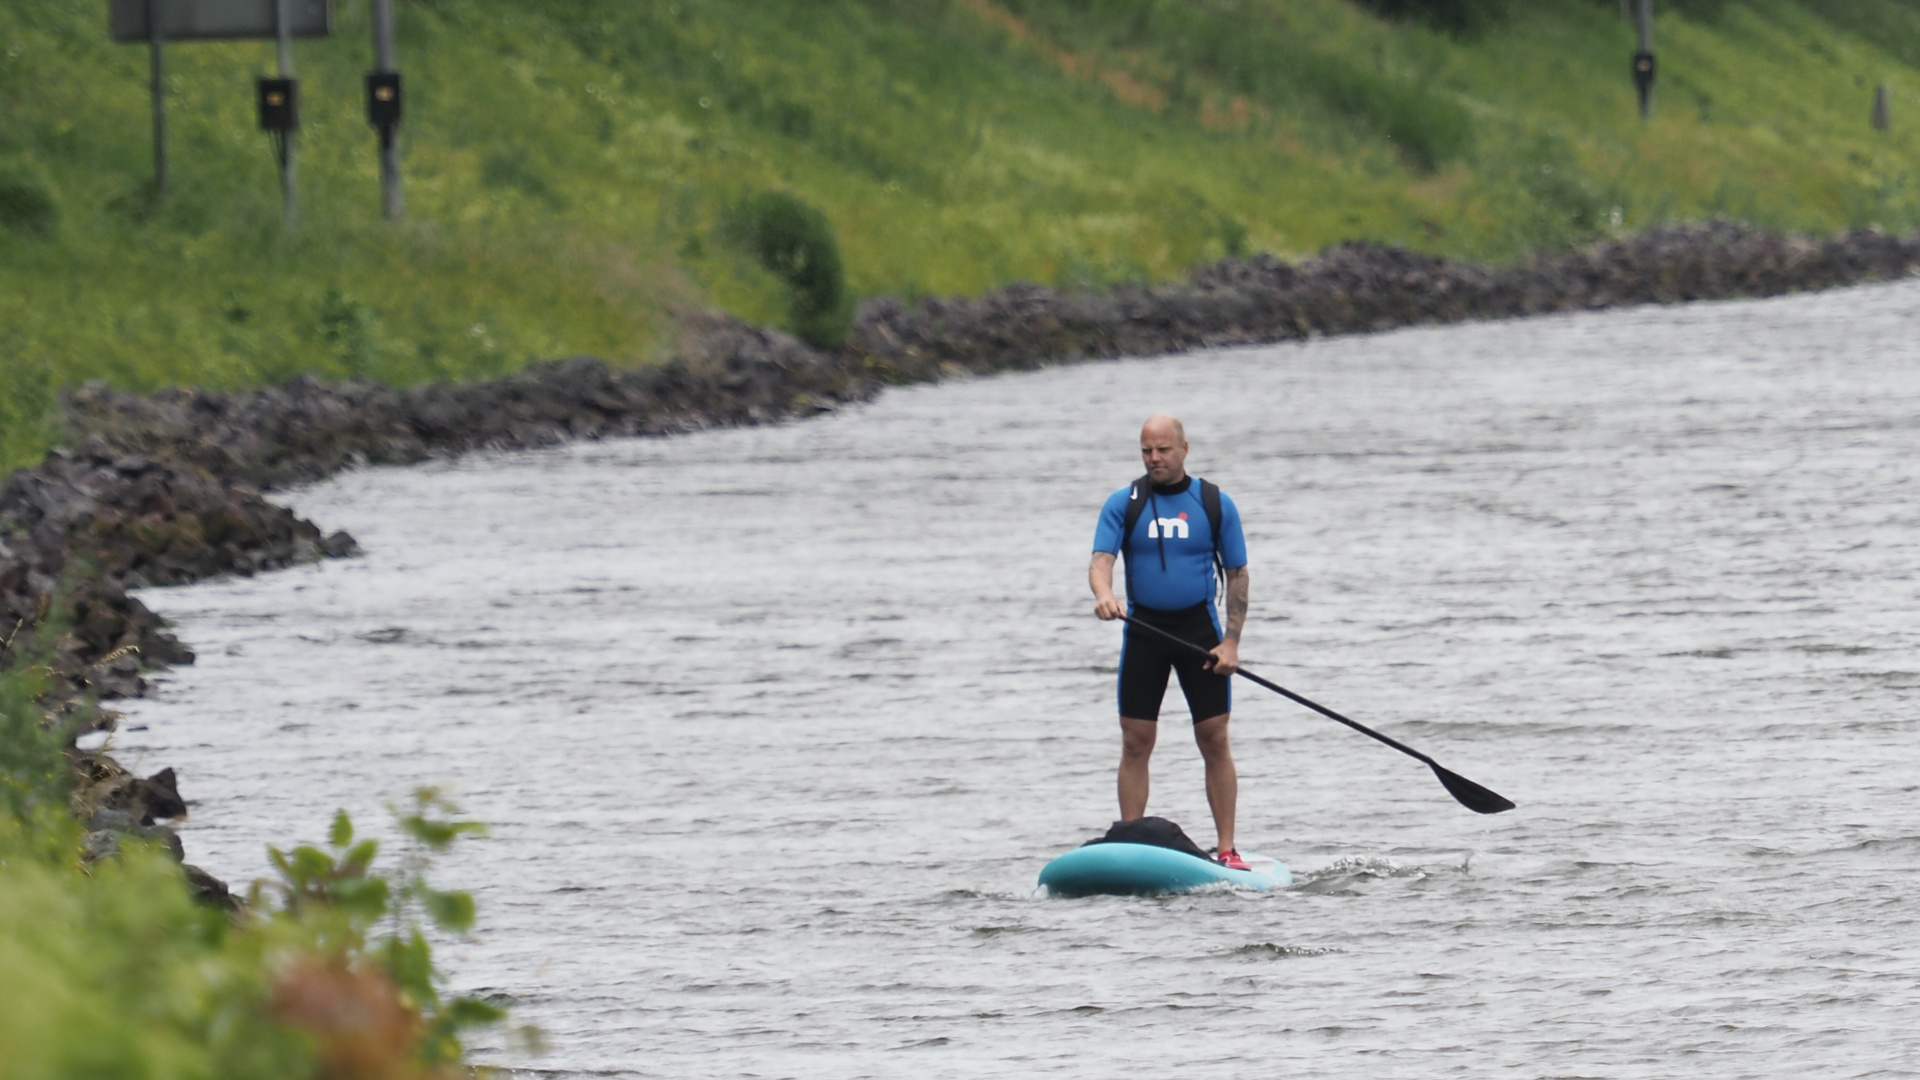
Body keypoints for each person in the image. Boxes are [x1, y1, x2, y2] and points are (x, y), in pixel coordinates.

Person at [1089, 415, 1252, 870]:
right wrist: (1104, 594)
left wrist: (1232, 643)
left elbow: (1238, 575)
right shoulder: (1125, 504)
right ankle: (1130, 843)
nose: (1154, 458)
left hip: (1200, 634)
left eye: (1162, 450)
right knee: (1136, 741)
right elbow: (1101, 560)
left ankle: (1226, 849)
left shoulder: (1214, 503)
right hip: (1144, 631)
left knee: (1213, 738)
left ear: (1184, 449)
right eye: (1146, 451)